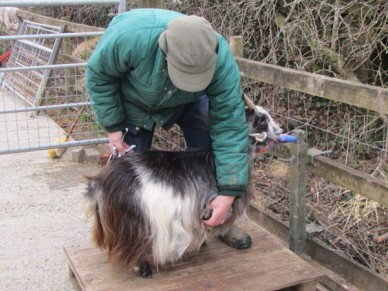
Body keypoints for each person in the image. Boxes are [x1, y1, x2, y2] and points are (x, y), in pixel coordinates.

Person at [85, 8, 251, 249]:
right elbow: (98, 77)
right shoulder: (129, 37)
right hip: (135, 100)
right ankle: (124, 234)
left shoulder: (222, 61)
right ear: (164, 53)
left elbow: (230, 126)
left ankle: (218, 219)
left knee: (210, 152)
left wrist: (229, 192)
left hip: (189, 100)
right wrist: (113, 126)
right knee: (127, 172)